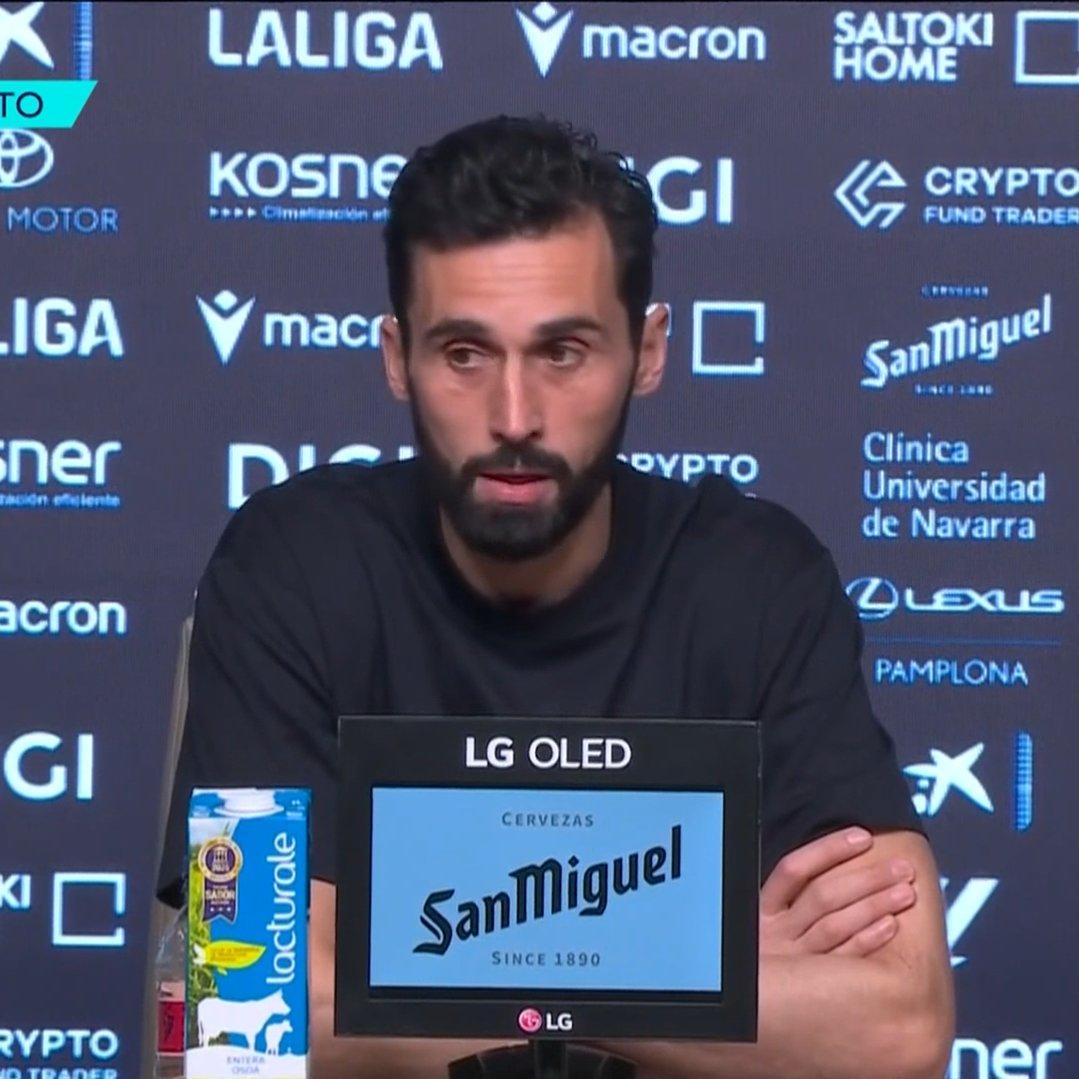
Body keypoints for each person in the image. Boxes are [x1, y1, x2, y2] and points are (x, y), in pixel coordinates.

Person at [157, 115, 954, 1077]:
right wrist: (693, 965)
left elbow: (897, 1026)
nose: (514, 416)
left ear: (648, 350)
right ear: (396, 357)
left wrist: (417, 953)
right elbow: (238, 1012)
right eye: (464, 353)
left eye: (563, 351)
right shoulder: (293, 567)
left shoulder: (757, 583)